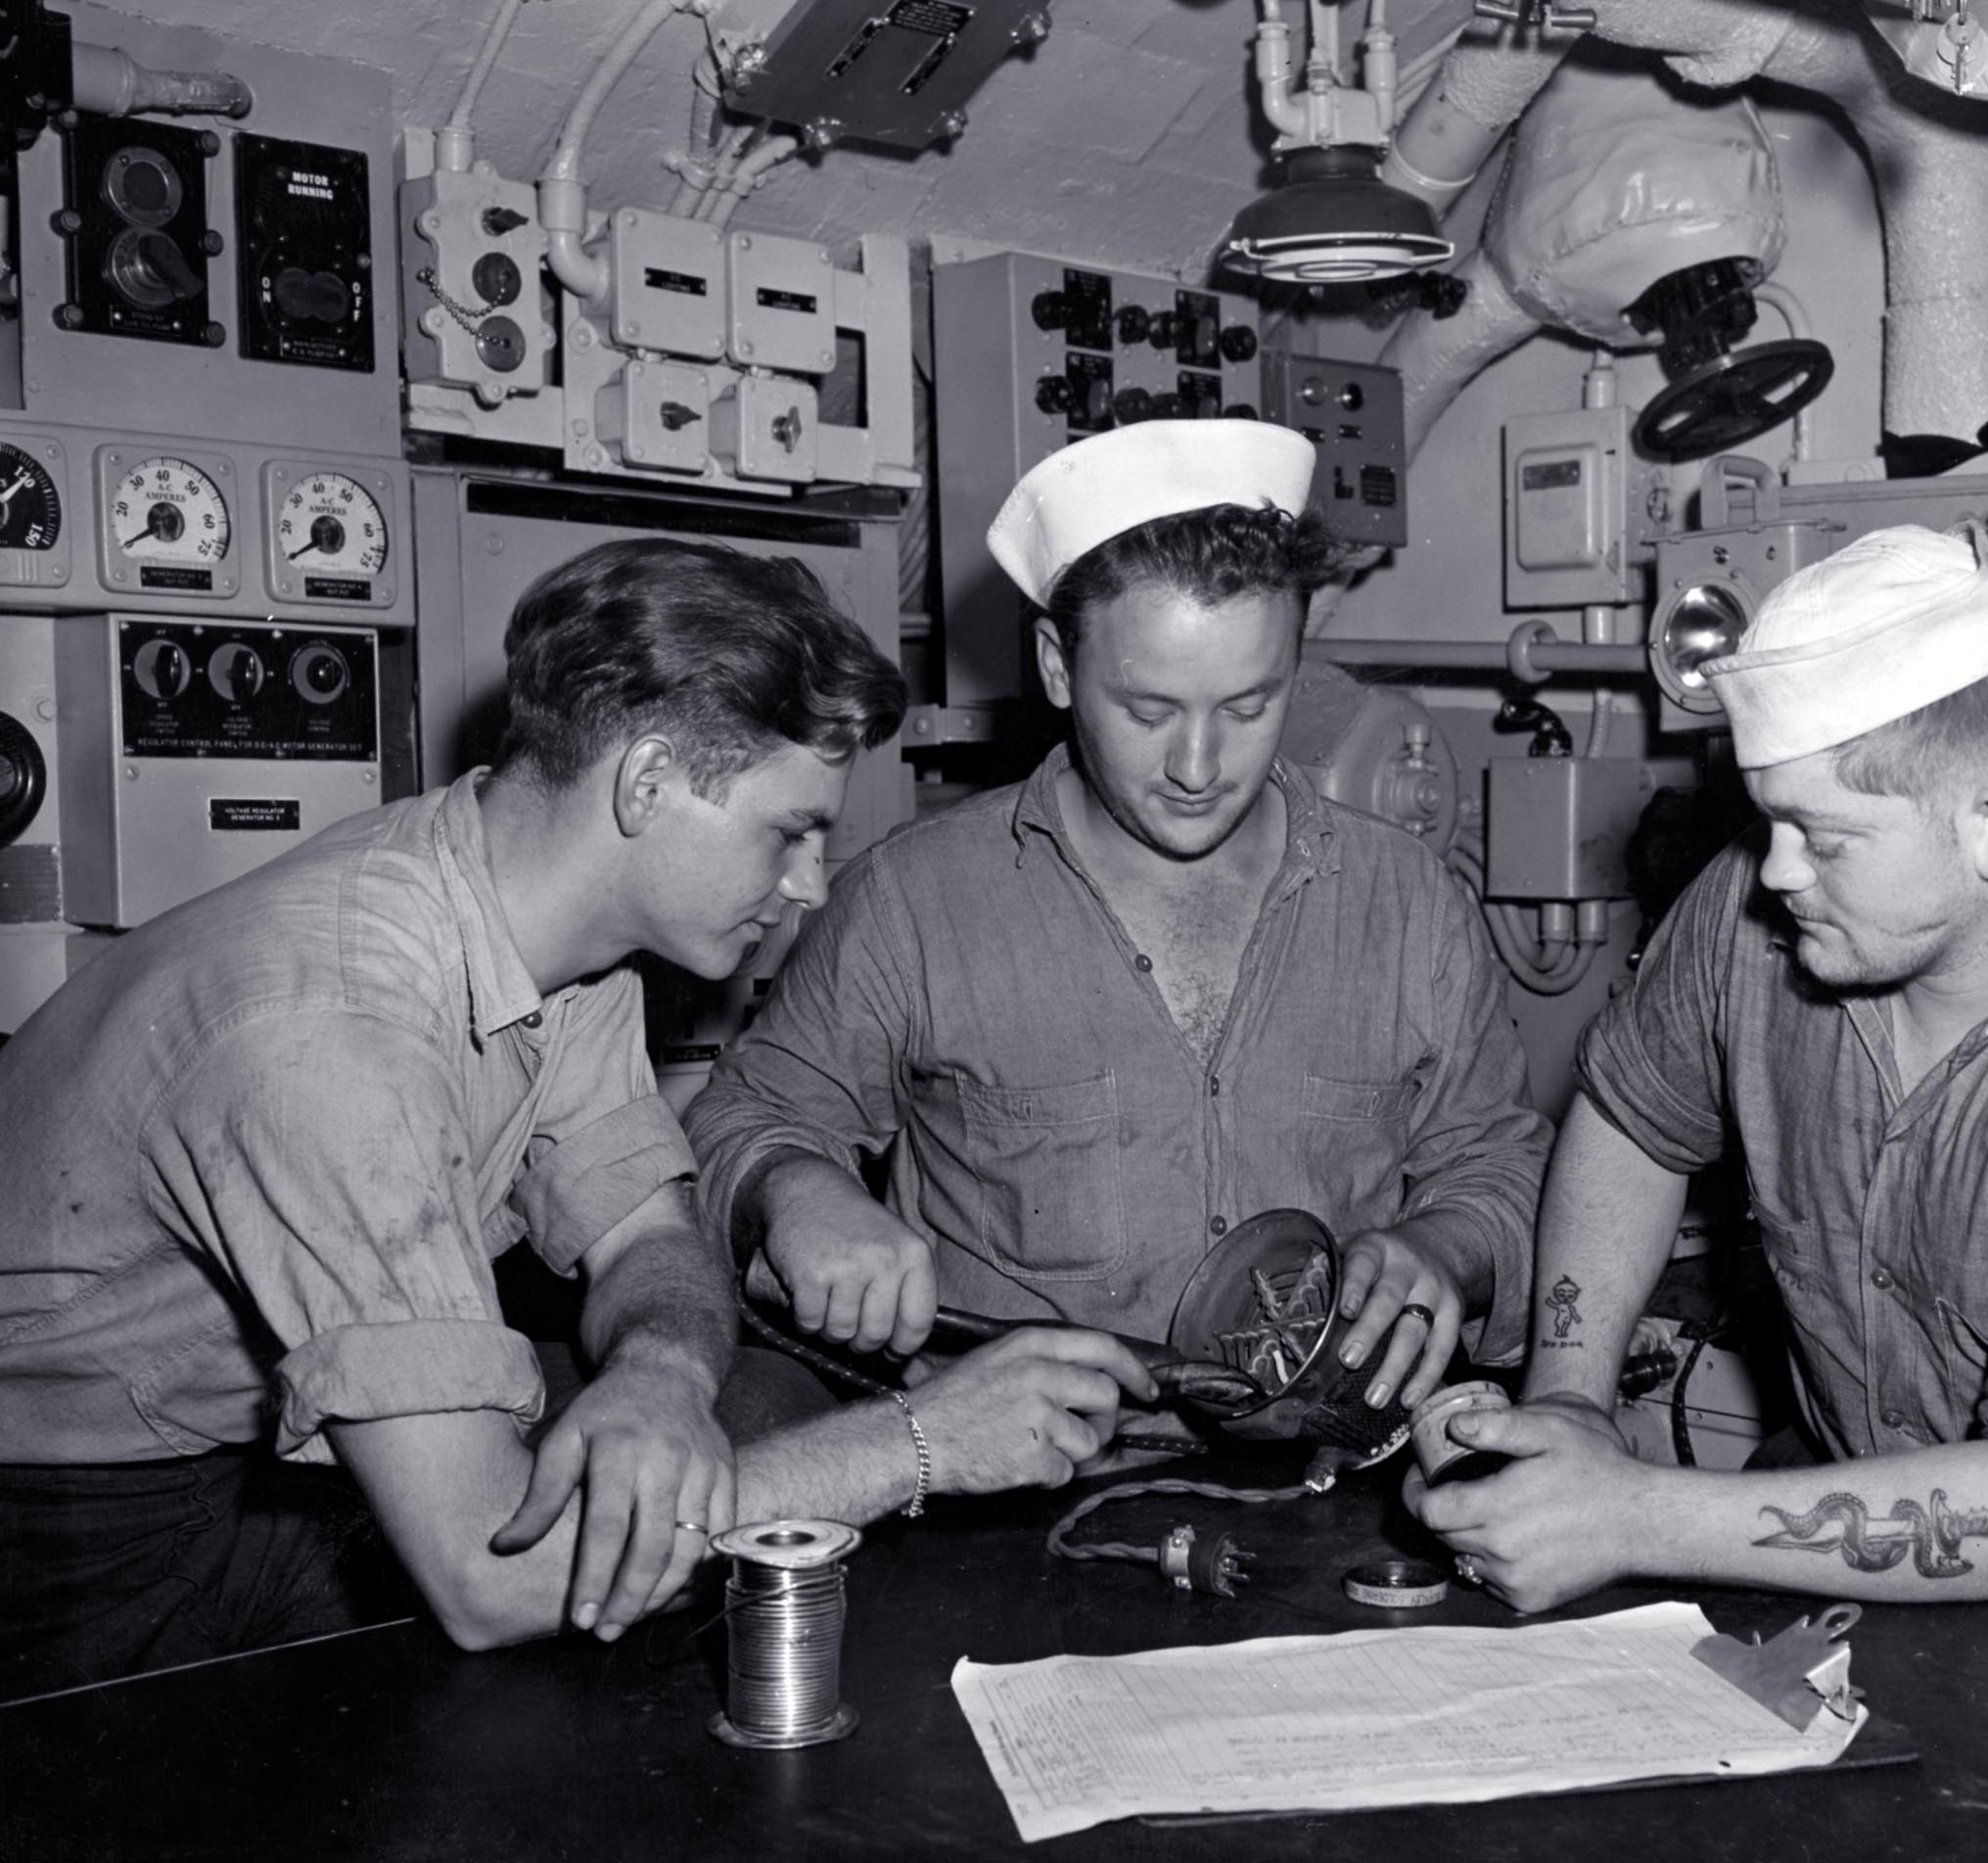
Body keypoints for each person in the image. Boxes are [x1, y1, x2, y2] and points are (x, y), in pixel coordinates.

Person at [0, 539, 1153, 1701]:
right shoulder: (333, 1034)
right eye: (788, 832)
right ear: (647, 782)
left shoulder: (553, 934)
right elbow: (490, 1577)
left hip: (239, 1448)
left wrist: (658, 1369)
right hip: (73, 1528)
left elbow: (648, 1234)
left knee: (751, 1403)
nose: (810, 884)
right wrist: (922, 1443)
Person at [1410, 520, 1988, 1615]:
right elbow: (1632, 1121)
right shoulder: (1762, 902)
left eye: (1823, 838)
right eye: (1770, 819)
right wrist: (1569, 1404)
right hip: (1838, 1464)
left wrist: (1629, 1514)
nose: (1773, 872)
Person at [686, 421, 1549, 1413]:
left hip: (1320, 1465)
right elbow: (743, 1119)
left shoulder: (1409, 905)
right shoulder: (913, 903)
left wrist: (1442, 1245)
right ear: (1057, 666)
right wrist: (797, 1187)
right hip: (1014, 1481)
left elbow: (1500, 1165)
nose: (1198, 766)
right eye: (1147, 711)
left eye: (1249, 706)